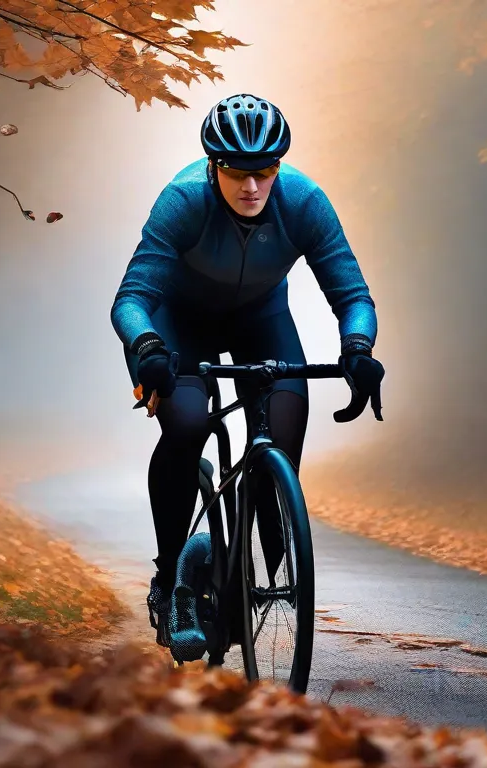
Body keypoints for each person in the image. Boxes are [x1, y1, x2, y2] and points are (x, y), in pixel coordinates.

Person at [110, 93, 385, 647]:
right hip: (178, 326)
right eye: (237, 172)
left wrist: (357, 348)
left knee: (284, 423)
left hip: (261, 320)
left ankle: (258, 557)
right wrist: (146, 345)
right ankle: (170, 580)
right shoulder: (184, 200)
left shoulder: (304, 201)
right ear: (215, 166)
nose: (251, 187)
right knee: (187, 424)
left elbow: (353, 294)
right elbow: (132, 297)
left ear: (278, 166)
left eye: (263, 171)